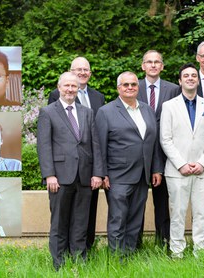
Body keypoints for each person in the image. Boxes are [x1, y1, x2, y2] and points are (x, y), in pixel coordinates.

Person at [37, 72, 104, 270]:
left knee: (81, 222)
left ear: (78, 89)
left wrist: (97, 173)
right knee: (59, 223)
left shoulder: (87, 112)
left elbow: (95, 145)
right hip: (59, 177)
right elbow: (44, 146)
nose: (70, 90)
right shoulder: (48, 112)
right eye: (66, 86)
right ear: (59, 88)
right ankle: (58, 264)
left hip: (84, 177)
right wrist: (49, 174)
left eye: (73, 87)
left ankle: (79, 262)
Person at [95, 71, 163, 256]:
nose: (130, 88)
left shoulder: (147, 109)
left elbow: (153, 141)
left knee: (135, 218)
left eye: (133, 84)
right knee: (118, 218)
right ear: (119, 88)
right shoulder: (106, 111)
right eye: (126, 85)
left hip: (142, 174)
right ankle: (117, 258)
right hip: (118, 176)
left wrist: (156, 168)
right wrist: (102, 174)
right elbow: (99, 145)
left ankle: (130, 254)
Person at [160, 63, 204, 258]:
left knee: (201, 214)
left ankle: (200, 252)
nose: (191, 78)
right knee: (177, 214)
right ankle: (177, 252)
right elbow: (165, 139)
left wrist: (202, 163)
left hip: (202, 171)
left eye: (194, 75)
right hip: (177, 171)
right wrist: (182, 164)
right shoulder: (168, 106)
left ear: (198, 80)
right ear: (180, 80)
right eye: (186, 75)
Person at [136, 50, 180, 247]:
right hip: (137, 155)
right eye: (149, 62)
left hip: (164, 154)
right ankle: (134, 243)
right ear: (143, 65)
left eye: (157, 62)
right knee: (136, 203)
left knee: (162, 203)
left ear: (162, 66)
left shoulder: (173, 89)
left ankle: (163, 242)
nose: (153, 65)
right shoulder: (132, 86)